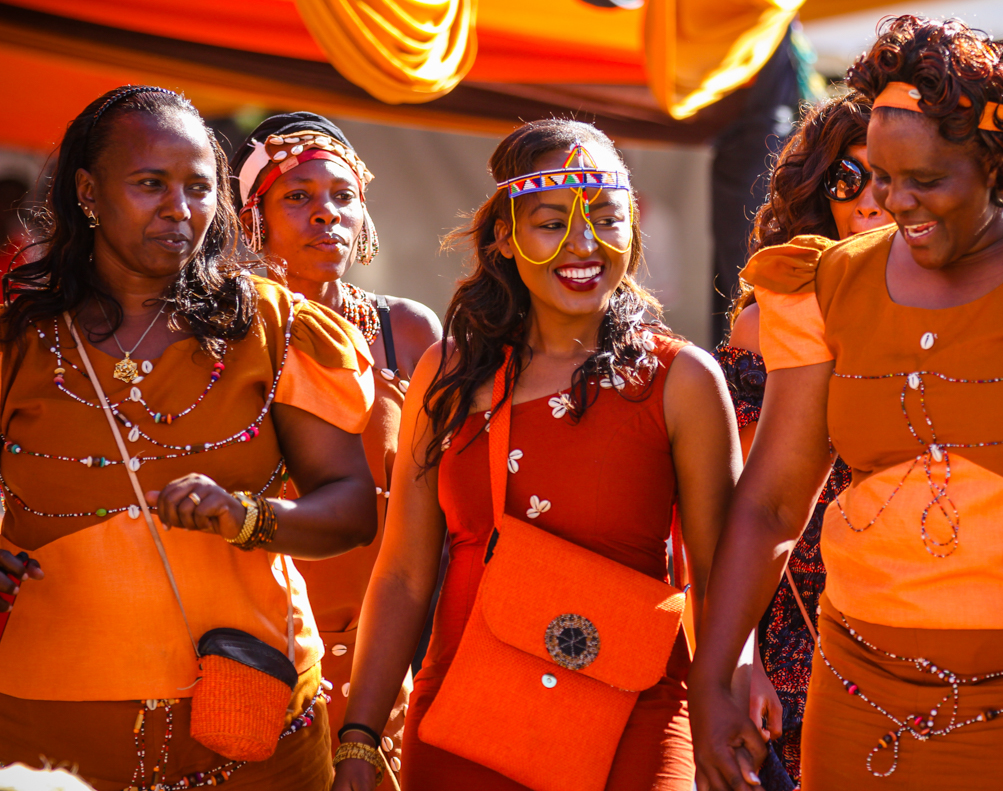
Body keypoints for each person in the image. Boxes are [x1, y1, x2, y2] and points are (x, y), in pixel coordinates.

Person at [690, 16, 1003, 791]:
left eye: (926, 181)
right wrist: (713, 677)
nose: (896, 204)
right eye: (882, 178)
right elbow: (771, 506)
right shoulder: (826, 285)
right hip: (856, 700)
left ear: (1000, 161)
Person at [330, 119, 739, 791]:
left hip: (636, 719)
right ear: (504, 236)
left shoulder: (682, 381)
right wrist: (362, 737)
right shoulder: (450, 372)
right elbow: (403, 573)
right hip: (467, 719)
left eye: (606, 218)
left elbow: (723, 579)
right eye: (553, 223)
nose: (585, 245)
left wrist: (726, 698)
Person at [0, 86, 378, 790]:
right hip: (48, 736)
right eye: (151, 184)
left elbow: (353, 506)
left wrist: (248, 519)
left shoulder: (274, 326)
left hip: (256, 725)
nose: (181, 209)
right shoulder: (19, 339)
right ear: (87, 191)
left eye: (200, 188)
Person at [230, 112, 442, 784]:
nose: (326, 214)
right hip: (249, 659)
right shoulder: (220, 336)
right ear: (250, 221)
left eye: (342, 197)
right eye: (298, 196)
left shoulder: (402, 332)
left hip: (379, 672)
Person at [714, 90, 891, 790]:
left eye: (889, 177)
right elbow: (743, 506)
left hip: (913, 619)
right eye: (847, 179)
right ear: (822, 195)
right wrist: (742, 657)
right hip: (799, 633)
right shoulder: (777, 319)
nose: (871, 200)